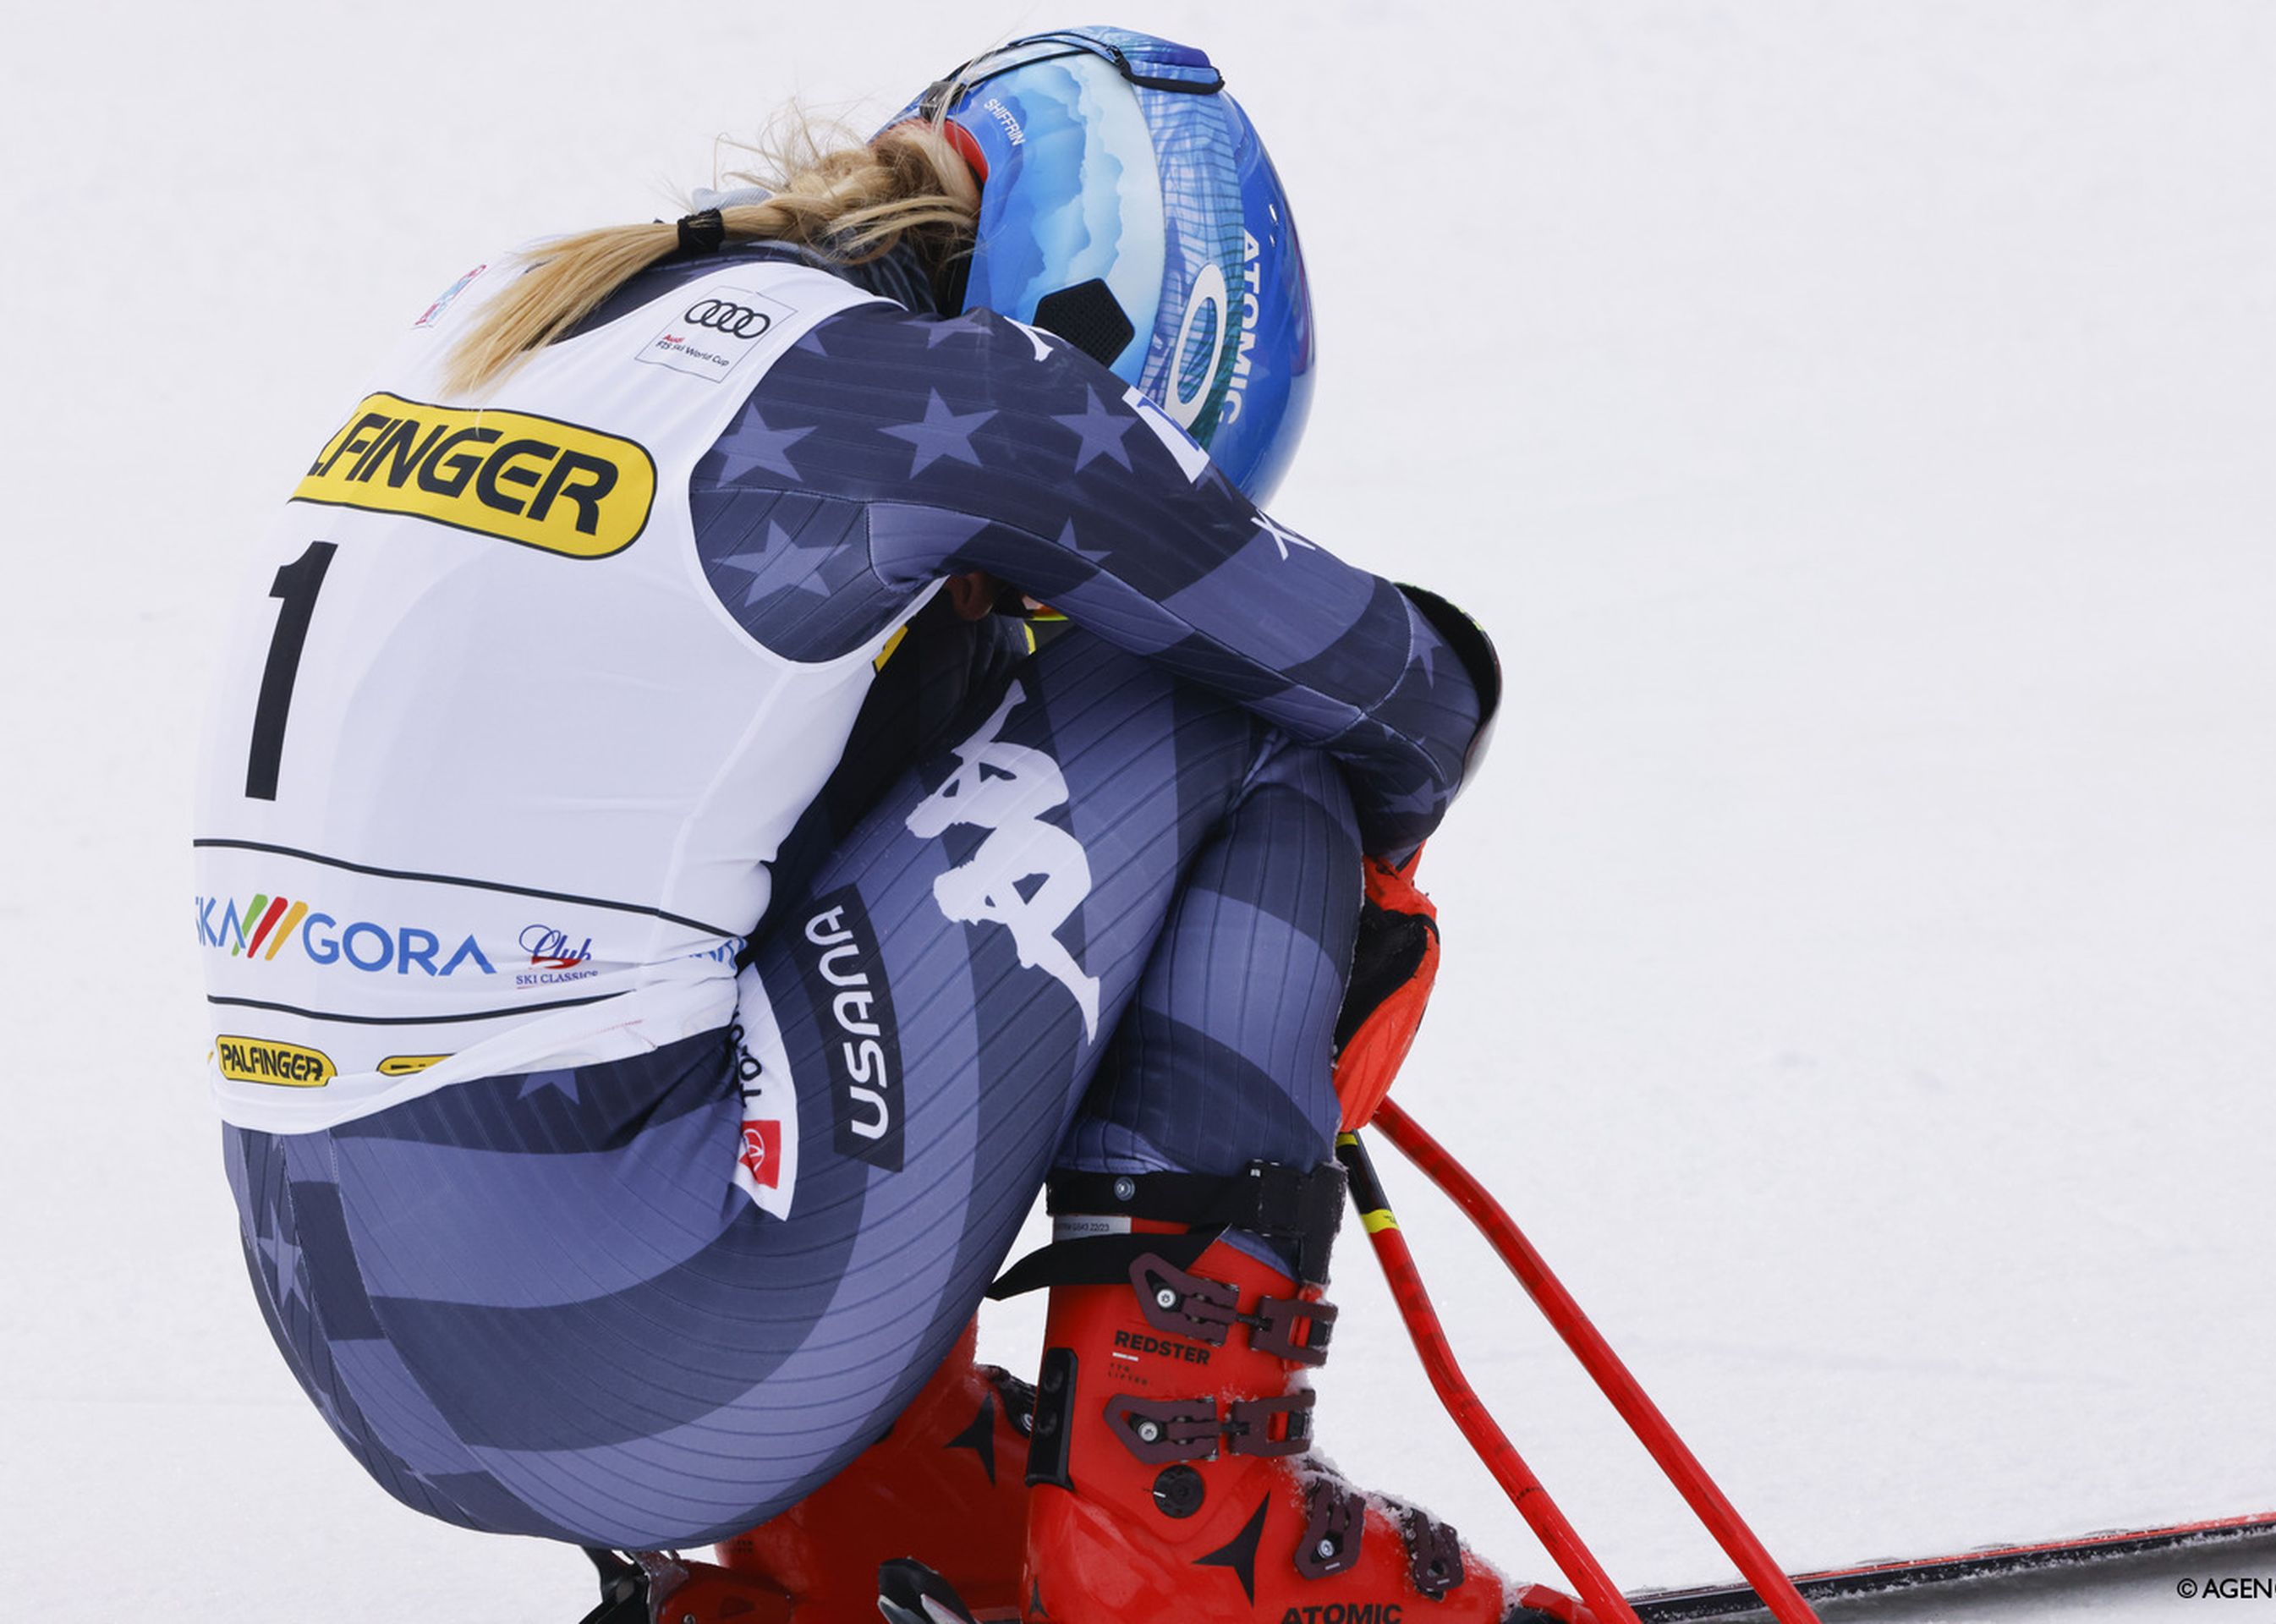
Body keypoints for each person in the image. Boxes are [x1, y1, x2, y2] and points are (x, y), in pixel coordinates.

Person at [195, 27, 1582, 1624]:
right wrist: (1305, 941)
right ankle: (1184, 1533)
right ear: (1089, 316)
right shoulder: (952, 394)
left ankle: (872, 1507)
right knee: (1230, 711)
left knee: (876, 705)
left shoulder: (525, 312)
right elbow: (1401, 688)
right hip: (662, 1361)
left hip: (378, 1362)